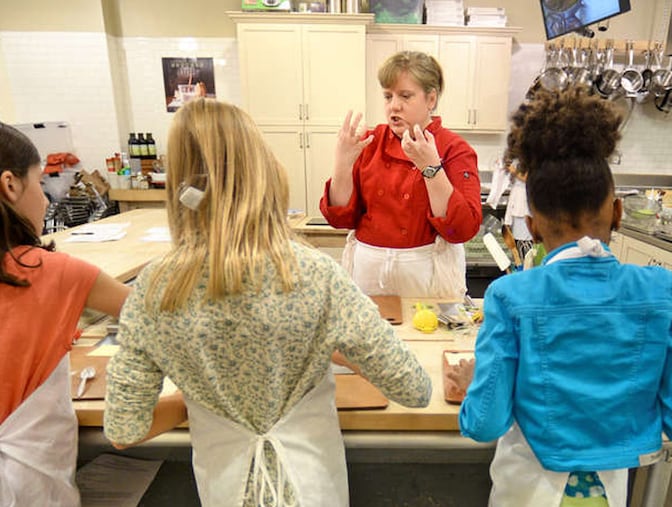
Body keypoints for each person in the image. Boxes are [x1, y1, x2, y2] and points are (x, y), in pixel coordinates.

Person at [103, 98, 432, 507]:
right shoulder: (314, 274)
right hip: (313, 489)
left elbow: (123, 427)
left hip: (225, 490)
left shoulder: (157, 289)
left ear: (180, 186)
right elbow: (414, 389)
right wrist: (325, 346)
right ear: (264, 172)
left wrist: (198, 401)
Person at [451, 87, 672, 507]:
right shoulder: (662, 292)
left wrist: (475, 386)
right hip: (608, 493)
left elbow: (484, 423)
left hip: (527, 492)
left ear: (532, 228)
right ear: (618, 213)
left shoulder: (510, 296)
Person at [0, 122, 132, 505]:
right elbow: (151, 314)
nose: (45, 201)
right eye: (39, 184)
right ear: (9, 185)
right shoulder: (48, 272)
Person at [320, 50, 482, 299]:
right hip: (367, 274)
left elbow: (461, 229)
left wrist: (431, 168)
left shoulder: (453, 149)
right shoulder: (369, 143)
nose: (394, 105)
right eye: (388, 96)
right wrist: (342, 162)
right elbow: (340, 219)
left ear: (431, 99)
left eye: (405, 96)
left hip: (426, 278)